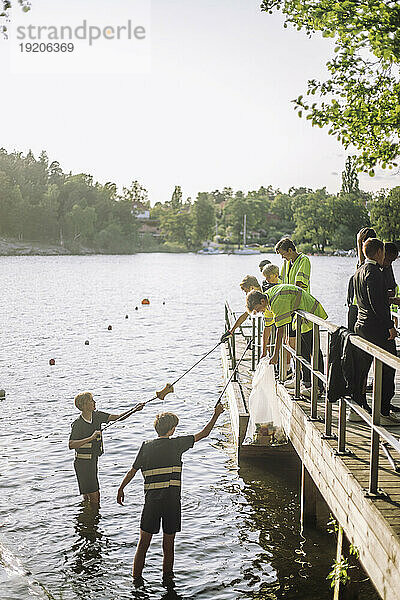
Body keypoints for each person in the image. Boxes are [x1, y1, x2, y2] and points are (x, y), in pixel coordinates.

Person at [117, 404, 225, 585]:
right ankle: (168, 581)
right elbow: (204, 433)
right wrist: (216, 415)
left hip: (151, 503)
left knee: (143, 544)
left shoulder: (146, 446)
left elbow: (132, 471)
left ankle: (136, 580)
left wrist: (121, 488)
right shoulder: (177, 444)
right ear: (172, 429)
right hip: (172, 503)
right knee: (168, 545)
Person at [246, 285, 327, 397]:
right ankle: (307, 383)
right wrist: (264, 351)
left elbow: (280, 331)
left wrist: (275, 355)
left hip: (310, 314)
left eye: (257, 309)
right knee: (302, 352)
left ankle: (318, 387)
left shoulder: (277, 302)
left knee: (313, 351)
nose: (259, 312)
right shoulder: (268, 302)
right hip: (301, 319)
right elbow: (267, 327)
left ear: (262, 301)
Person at [69, 392, 144, 507]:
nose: (94, 403)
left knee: (88, 496)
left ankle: (87, 519)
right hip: (82, 464)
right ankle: (91, 517)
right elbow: (71, 444)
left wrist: (134, 409)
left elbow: (118, 418)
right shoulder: (78, 424)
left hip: (93, 461)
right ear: (84, 405)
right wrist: (91, 438)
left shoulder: (97, 416)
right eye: (91, 401)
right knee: (95, 497)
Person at [353, 238, 399, 425]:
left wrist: (390, 301)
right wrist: (390, 325)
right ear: (380, 252)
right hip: (376, 328)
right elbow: (376, 303)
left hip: (362, 325)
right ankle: (383, 411)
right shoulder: (374, 273)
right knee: (388, 367)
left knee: (362, 369)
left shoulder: (358, 272)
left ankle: (357, 407)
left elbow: (368, 300)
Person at [220, 275, 275, 358]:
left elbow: (245, 315)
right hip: (268, 323)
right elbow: (245, 315)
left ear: (251, 287)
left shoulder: (260, 296)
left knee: (271, 345)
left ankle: (278, 367)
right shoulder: (256, 298)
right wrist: (231, 331)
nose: (246, 294)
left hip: (274, 323)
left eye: (246, 291)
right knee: (268, 346)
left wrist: (232, 330)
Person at [347, 227, 376, 331]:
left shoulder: (370, 264)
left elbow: (362, 265)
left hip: (361, 308)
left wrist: (359, 243)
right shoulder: (378, 258)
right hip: (359, 307)